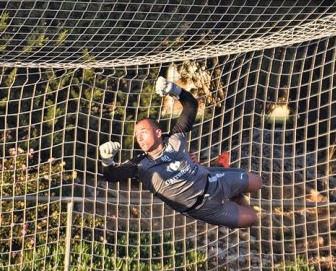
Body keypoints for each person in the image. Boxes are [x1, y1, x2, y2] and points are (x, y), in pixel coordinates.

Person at [98, 77, 262, 228]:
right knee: (252, 218)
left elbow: (191, 106)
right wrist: (107, 160)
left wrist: (173, 89)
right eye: (136, 134)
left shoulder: (175, 138)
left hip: (214, 181)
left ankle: (229, 187)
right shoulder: (140, 165)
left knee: (258, 182)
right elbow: (111, 175)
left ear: (158, 133)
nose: (139, 137)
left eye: (143, 132)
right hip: (203, 208)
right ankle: (234, 195)